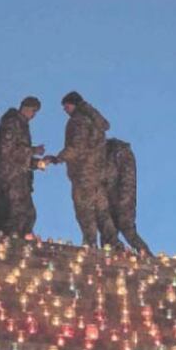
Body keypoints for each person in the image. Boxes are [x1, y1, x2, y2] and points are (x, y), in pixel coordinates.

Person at [46, 91, 120, 248]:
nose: (65, 110)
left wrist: (57, 158)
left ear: (73, 104)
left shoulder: (78, 121)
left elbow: (76, 147)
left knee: (84, 210)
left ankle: (90, 244)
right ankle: (114, 244)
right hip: (98, 175)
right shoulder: (95, 121)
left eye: (66, 106)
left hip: (83, 175)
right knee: (102, 211)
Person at [0, 96, 44, 235]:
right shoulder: (12, 122)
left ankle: (21, 244)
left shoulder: (22, 125)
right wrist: (33, 150)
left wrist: (37, 163)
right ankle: (13, 245)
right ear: (26, 107)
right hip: (11, 176)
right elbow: (7, 150)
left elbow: (21, 156)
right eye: (33, 111)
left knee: (28, 215)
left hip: (21, 177)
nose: (34, 115)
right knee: (18, 215)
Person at [104, 137, 151, 254]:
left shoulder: (119, 152)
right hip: (111, 200)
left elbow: (127, 181)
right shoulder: (105, 153)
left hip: (122, 200)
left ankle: (148, 257)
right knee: (108, 234)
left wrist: (123, 202)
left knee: (126, 228)